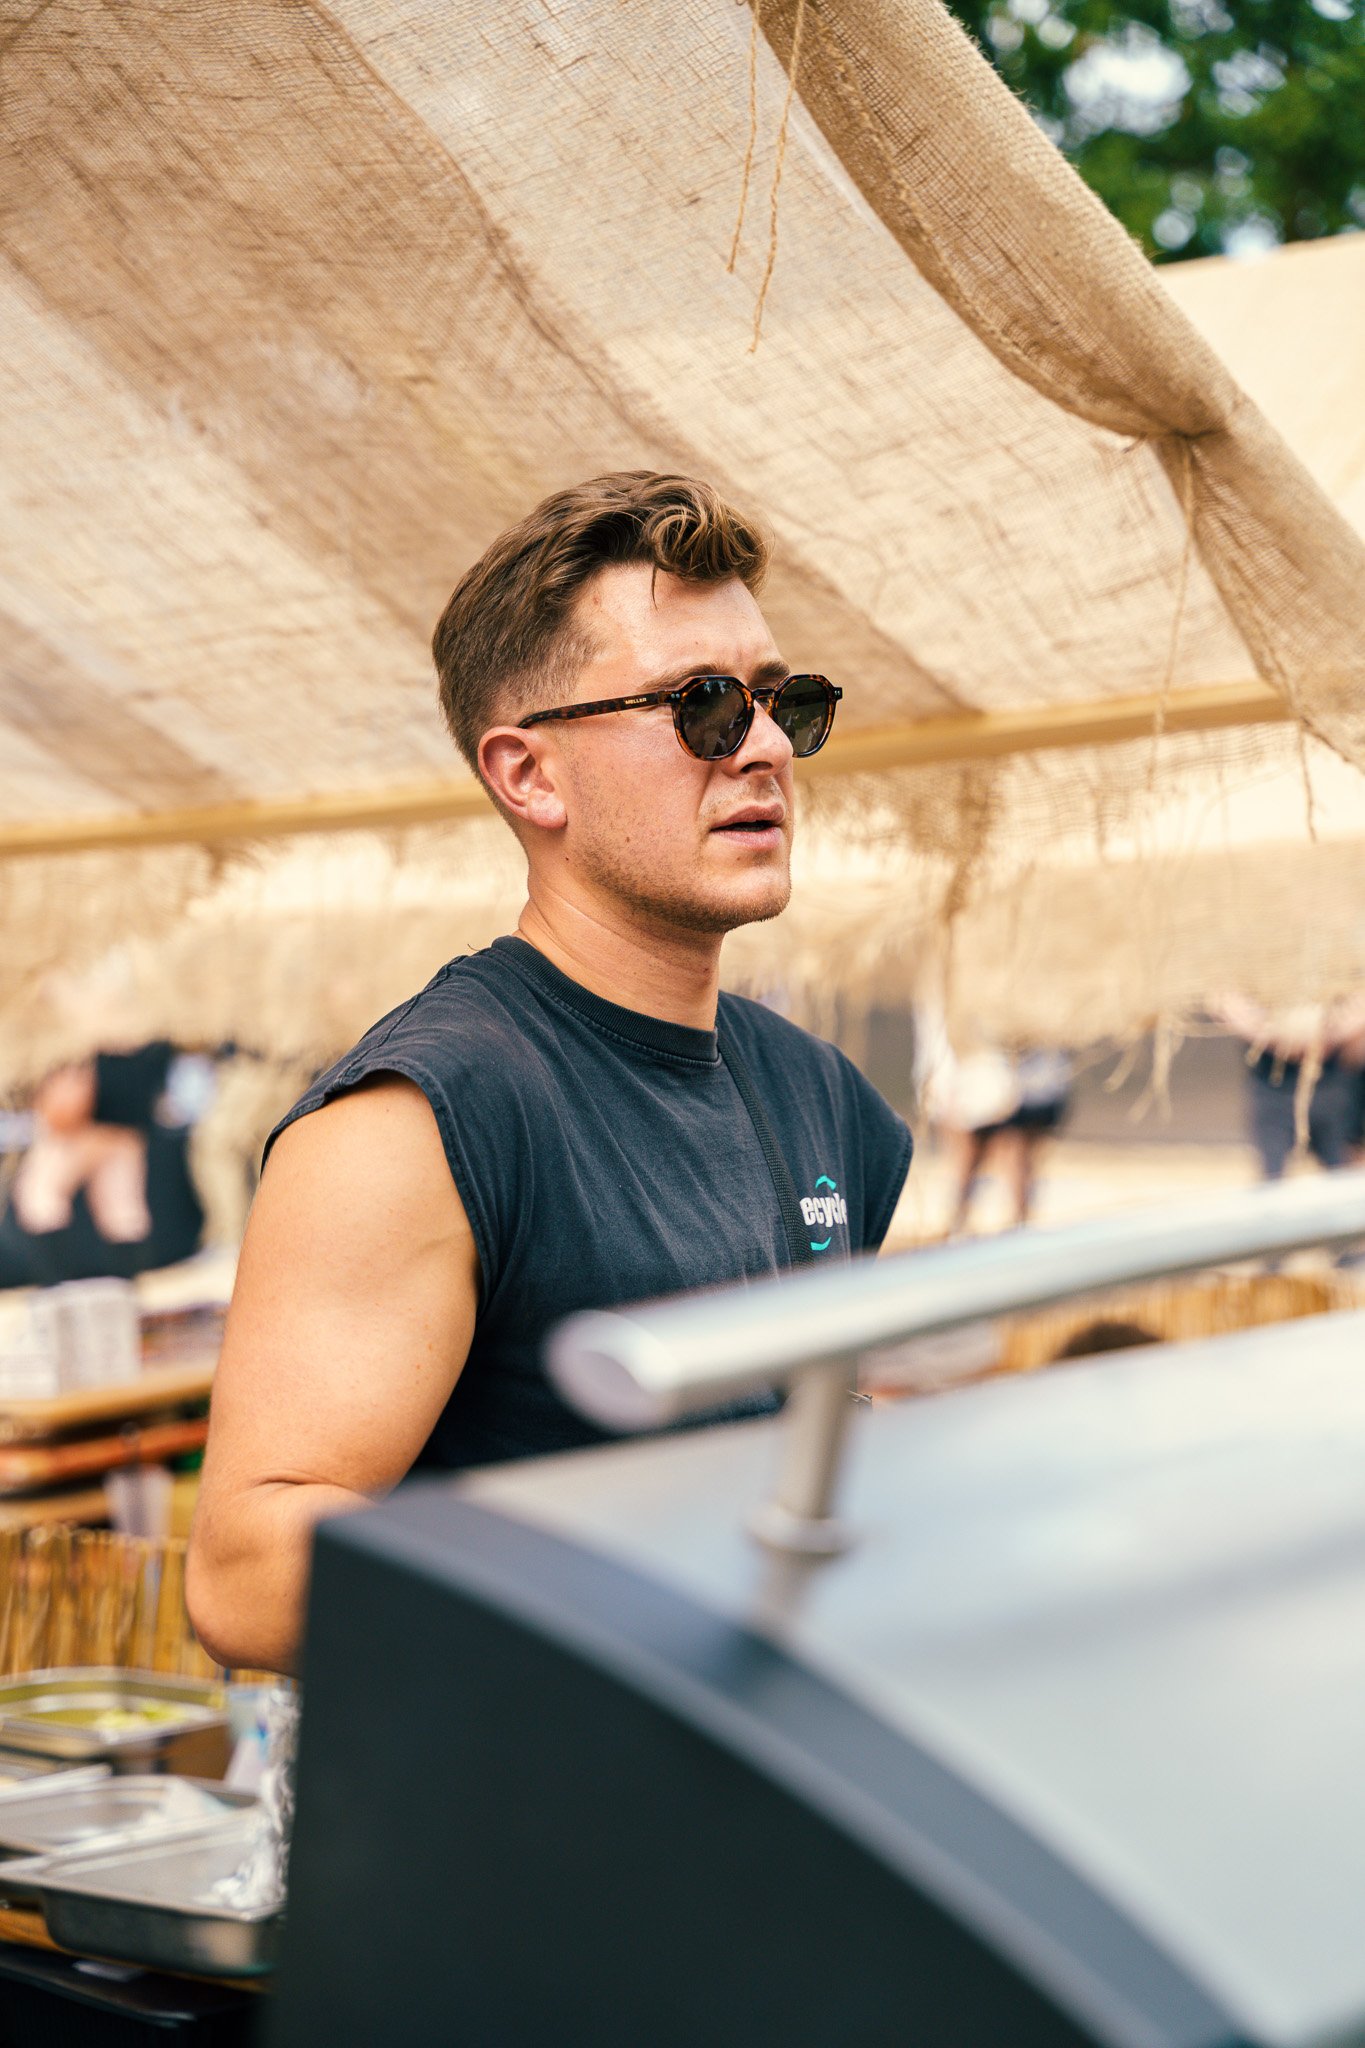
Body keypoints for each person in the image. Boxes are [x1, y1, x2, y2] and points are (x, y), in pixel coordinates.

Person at [187, 473, 914, 1674]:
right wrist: (654, 1584)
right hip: (516, 1841)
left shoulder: (819, 1093)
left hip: (746, 1822)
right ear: (530, 774)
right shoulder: (422, 1117)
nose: (771, 747)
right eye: (703, 706)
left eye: (785, 701)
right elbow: (249, 1573)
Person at [0, 1043, 207, 1289]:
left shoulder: (80, 1042)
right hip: (126, 1121)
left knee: (44, 1197)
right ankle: (114, 1288)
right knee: (120, 1208)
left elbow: (62, 1110)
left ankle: (65, 1289)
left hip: (94, 1124)